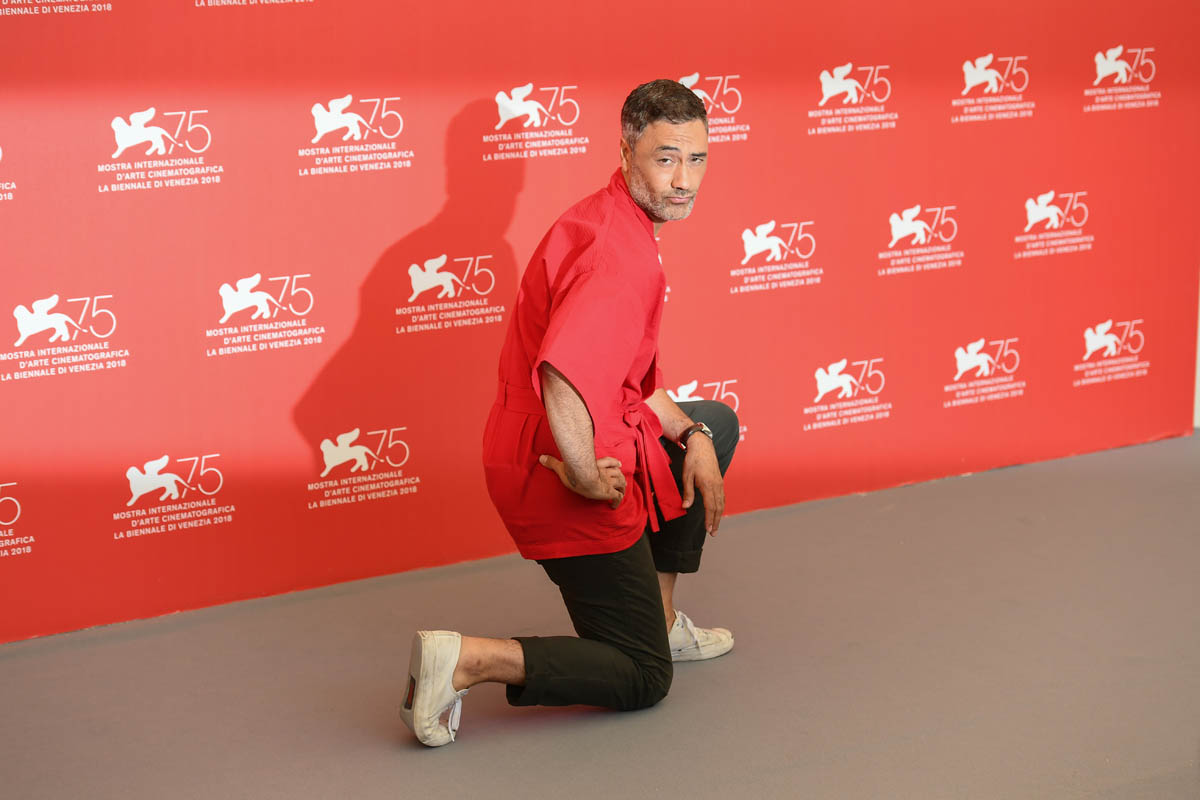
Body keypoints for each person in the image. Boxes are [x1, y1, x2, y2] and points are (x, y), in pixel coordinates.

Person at [400, 79, 739, 747]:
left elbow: (636, 383)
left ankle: (659, 618)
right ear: (627, 153)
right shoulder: (615, 255)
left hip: (586, 434)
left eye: (696, 159)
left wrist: (694, 434)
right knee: (643, 677)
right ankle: (470, 659)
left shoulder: (617, 219)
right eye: (666, 158)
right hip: (556, 465)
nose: (684, 180)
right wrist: (582, 472)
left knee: (715, 424)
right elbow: (562, 375)